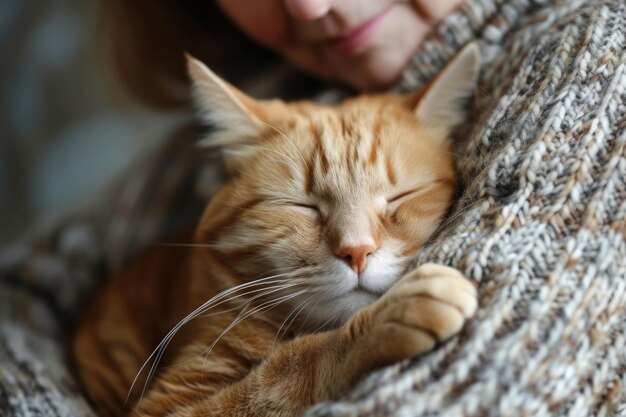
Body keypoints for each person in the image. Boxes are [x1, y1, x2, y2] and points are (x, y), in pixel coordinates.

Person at [1, 0, 625, 416]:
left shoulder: (593, 60)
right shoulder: (267, 94)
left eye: (399, 202)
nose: (356, 245)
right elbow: (20, 294)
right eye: (300, 208)